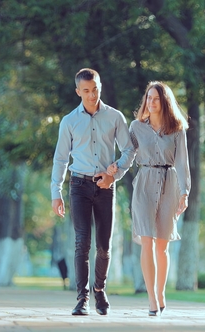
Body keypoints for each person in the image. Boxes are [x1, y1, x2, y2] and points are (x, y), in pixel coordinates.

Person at [51, 68, 135, 316]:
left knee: (104, 246)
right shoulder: (69, 121)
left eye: (95, 89)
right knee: (81, 243)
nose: (91, 95)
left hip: (105, 186)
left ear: (100, 86)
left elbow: (129, 150)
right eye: (86, 91)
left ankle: (100, 289)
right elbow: (60, 159)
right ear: (78, 91)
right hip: (78, 186)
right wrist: (56, 192)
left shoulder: (115, 117)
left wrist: (114, 174)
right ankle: (82, 298)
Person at [108, 81, 190, 316]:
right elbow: (128, 155)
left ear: (164, 102)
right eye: (149, 98)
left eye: (156, 99)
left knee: (162, 246)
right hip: (143, 184)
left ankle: (161, 292)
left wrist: (185, 192)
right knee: (147, 241)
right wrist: (115, 170)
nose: (151, 102)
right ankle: (152, 299)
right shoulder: (136, 126)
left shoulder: (177, 129)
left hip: (169, 184)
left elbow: (183, 163)